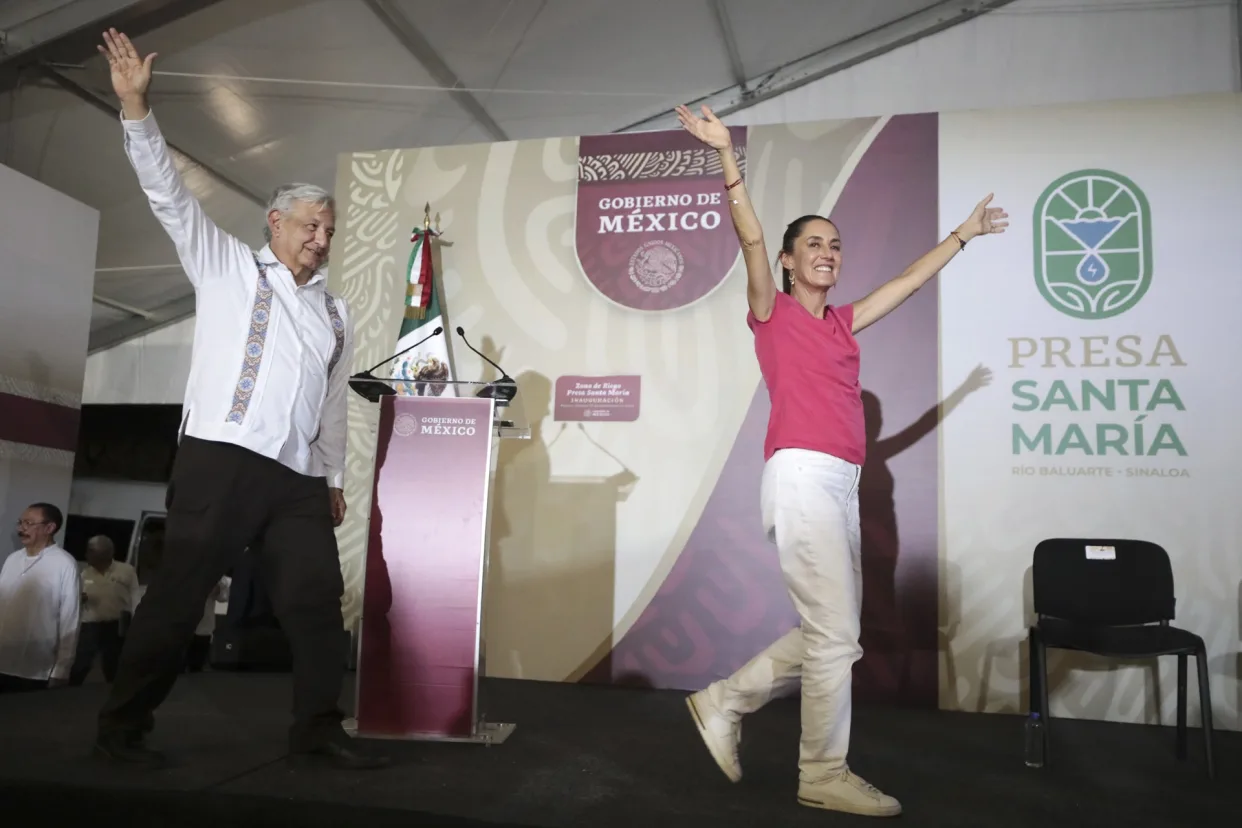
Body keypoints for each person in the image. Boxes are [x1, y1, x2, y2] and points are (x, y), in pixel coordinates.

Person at [674, 104, 1007, 817]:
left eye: (836, 244)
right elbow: (750, 234)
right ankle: (821, 772)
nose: (828, 252)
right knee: (836, 634)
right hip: (800, 475)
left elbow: (908, 281)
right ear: (790, 260)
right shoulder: (772, 311)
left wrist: (963, 234)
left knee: (834, 636)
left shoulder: (843, 323)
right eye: (814, 244)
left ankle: (724, 701)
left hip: (841, 486)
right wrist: (727, 155)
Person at [92, 29, 385, 770]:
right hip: (220, 459)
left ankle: (318, 729)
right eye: (311, 225)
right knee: (178, 596)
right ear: (275, 223)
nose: (321, 239)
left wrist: (333, 478)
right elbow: (167, 193)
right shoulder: (225, 264)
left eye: (329, 229)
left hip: (297, 478)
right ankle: (121, 727)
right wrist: (136, 110)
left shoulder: (337, 313)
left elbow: (330, 403)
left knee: (316, 599)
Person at [0, 504, 80, 692]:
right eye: (20, 523)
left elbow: (70, 621)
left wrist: (62, 669)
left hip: (34, 668)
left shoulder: (64, 564)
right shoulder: (13, 559)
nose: (21, 529)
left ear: (50, 528)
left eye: (29, 523)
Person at [71, 535, 140, 685]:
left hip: (116, 625)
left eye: (91, 551)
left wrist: (136, 623)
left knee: (113, 664)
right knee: (81, 664)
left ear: (106, 554)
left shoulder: (126, 571)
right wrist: (79, 598)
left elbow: (135, 597)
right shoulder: (84, 574)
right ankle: (68, 691)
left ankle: (114, 691)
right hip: (90, 626)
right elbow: (76, 599)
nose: (86, 555)